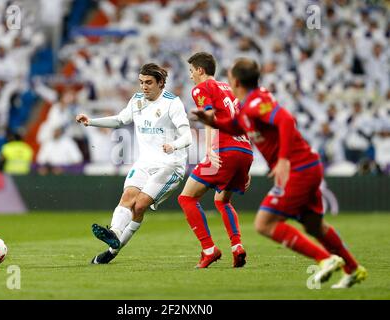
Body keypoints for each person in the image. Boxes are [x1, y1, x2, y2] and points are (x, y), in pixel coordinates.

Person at [192, 57, 367, 288]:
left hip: (298, 168)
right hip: (307, 165)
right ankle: (354, 269)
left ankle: (325, 259)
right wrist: (212, 121)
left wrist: (283, 160)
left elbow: (286, 120)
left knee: (265, 223)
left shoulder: (256, 102)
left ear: (234, 81)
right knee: (315, 226)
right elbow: (236, 126)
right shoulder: (247, 106)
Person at [76, 63, 192, 264]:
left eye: (148, 83)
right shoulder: (137, 100)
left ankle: (113, 251)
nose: (144, 87)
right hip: (145, 161)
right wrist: (91, 121)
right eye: (141, 82)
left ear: (161, 83)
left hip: (170, 165)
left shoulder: (173, 104)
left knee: (139, 206)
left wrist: (173, 145)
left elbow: (188, 136)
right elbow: (120, 120)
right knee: (128, 196)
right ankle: (113, 233)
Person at [178, 52, 253, 269]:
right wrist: (245, 167)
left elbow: (209, 116)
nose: (191, 76)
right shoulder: (229, 89)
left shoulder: (201, 88)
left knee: (187, 198)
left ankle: (209, 250)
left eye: (192, 71)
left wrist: (211, 149)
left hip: (224, 150)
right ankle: (237, 246)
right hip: (243, 149)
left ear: (200, 70)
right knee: (222, 201)